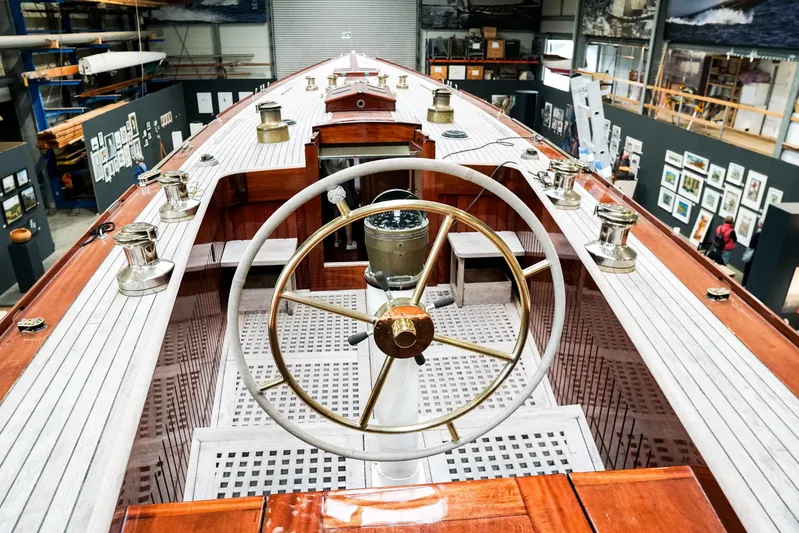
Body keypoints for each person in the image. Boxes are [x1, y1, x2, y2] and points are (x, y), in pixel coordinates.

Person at [742, 220, 763, 286]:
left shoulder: (757, 234)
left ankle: (744, 284)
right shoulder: (764, 235)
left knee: (747, 269)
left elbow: (751, 244)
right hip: (758, 257)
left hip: (752, 256)